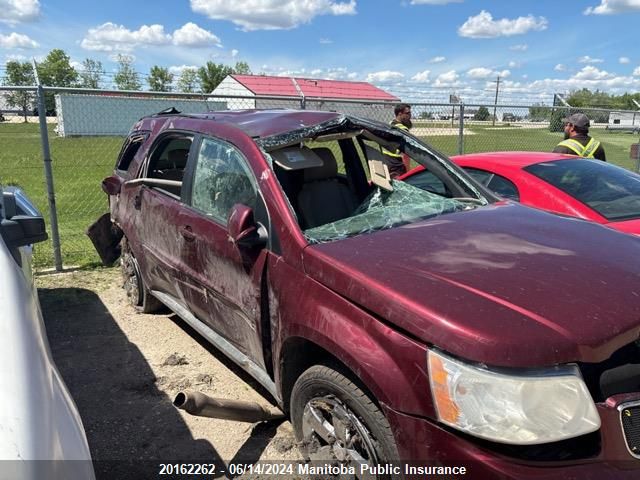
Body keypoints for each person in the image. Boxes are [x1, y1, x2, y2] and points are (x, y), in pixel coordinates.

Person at [382, 103, 413, 177]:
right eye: (407, 113)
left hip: (386, 160)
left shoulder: (390, 124)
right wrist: (408, 172)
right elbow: (406, 154)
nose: (410, 115)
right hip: (397, 163)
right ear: (400, 114)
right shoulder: (403, 130)